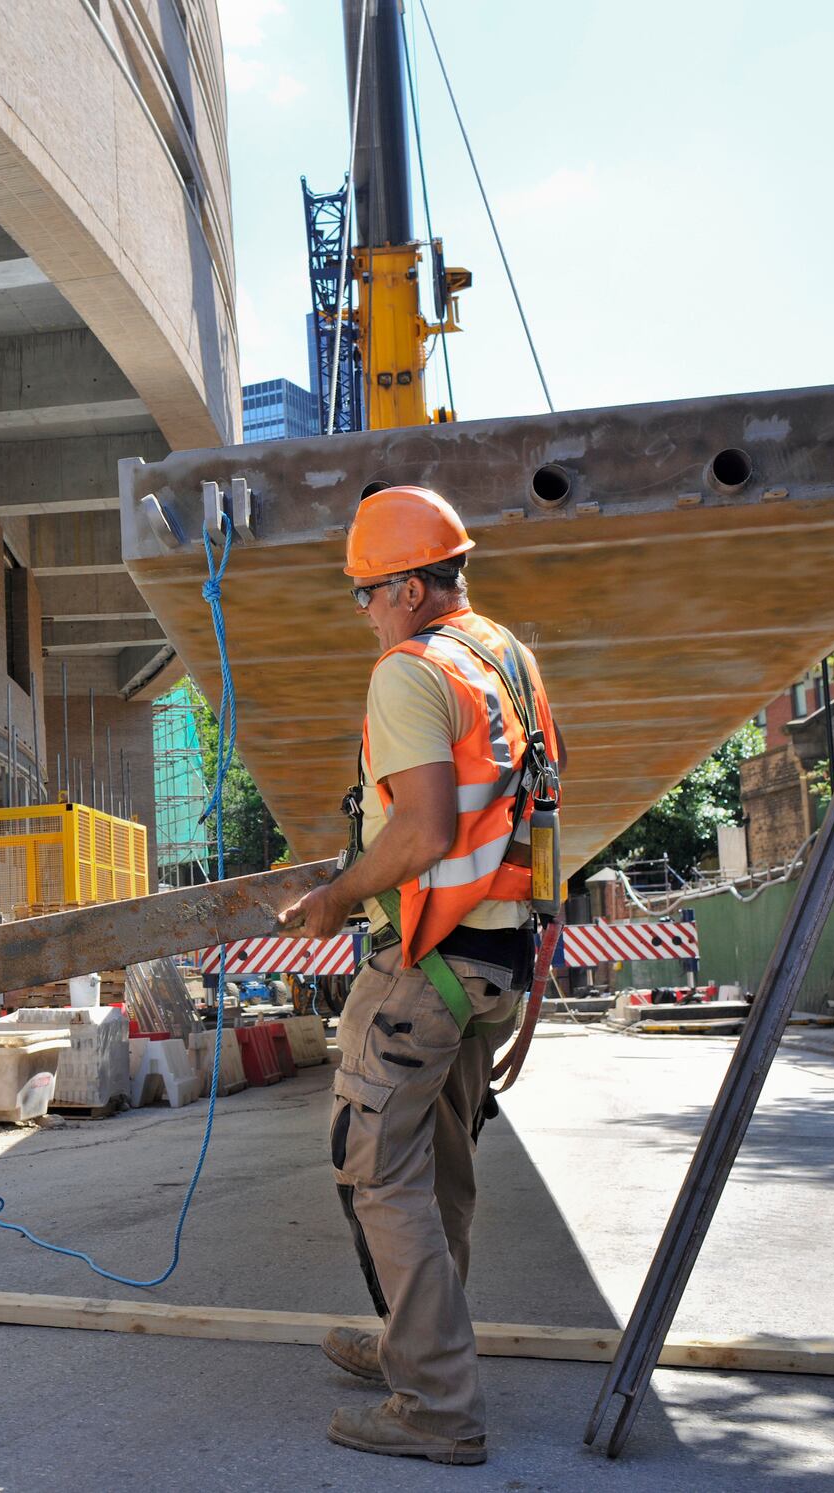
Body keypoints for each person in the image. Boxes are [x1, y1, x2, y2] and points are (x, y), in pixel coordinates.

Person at [281, 484, 562, 1466]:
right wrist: (539, 968)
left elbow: (425, 827)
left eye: (364, 592)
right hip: (493, 960)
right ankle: (422, 1341)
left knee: (376, 1167)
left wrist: (335, 893)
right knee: (440, 1167)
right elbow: (540, 820)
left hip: (424, 964)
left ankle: (438, 1399)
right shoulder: (506, 661)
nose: (362, 610)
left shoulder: (411, 671)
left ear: (405, 587)